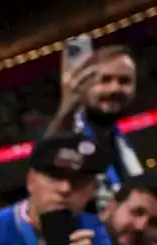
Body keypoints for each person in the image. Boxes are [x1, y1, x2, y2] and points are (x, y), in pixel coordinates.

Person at [46, 45, 142, 208]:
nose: (115, 88)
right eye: (105, 80)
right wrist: (67, 108)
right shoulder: (66, 134)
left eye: (124, 81)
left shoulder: (126, 141)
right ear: (85, 85)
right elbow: (46, 171)